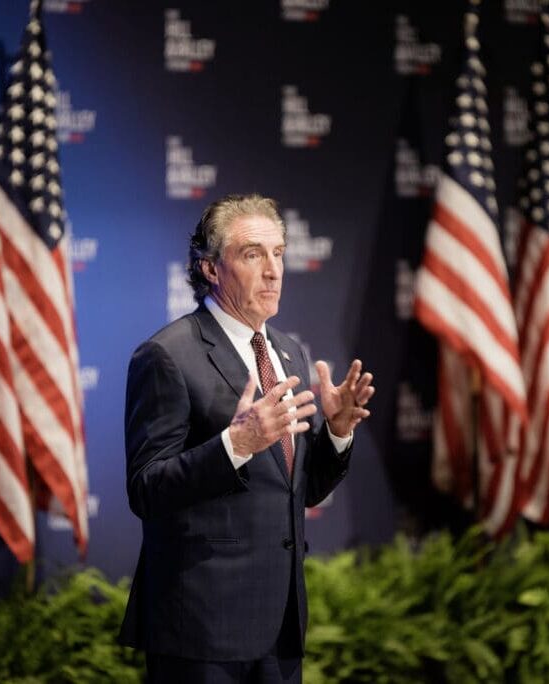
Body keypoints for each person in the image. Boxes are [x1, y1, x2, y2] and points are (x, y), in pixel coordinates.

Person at [118, 194, 375, 683]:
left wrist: (338, 433)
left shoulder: (288, 353)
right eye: (253, 254)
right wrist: (236, 444)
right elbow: (146, 489)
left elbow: (299, 490)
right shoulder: (167, 355)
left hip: (279, 627)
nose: (274, 270)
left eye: (278, 253)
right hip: (200, 630)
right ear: (212, 269)